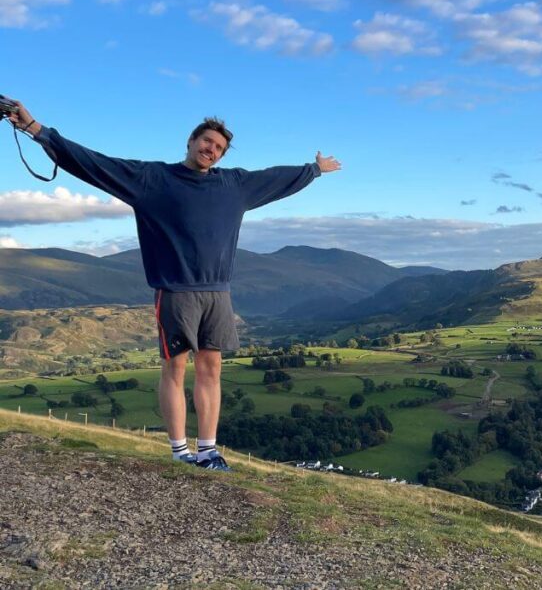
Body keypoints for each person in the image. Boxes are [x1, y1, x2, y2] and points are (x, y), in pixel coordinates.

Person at [5, 99, 341, 470]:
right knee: (175, 368)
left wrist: (315, 169)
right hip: (176, 291)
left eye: (218, 148)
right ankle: (180, 452)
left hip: (218, 292)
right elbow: (93, 163)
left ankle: (208, 450)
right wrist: (36, 129)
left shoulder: (235, 185)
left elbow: (277, 178)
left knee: (212, 368)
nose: (211, 149)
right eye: (206, 141)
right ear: (191, 140)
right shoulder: (152, 180)